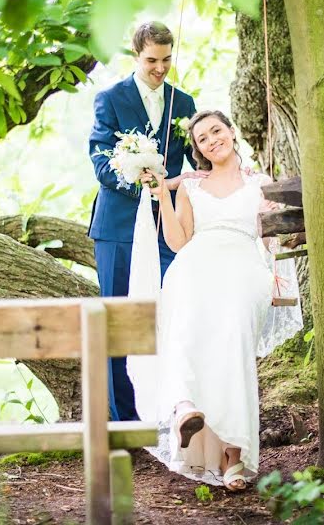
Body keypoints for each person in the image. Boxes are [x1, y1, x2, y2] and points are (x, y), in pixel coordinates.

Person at [138, 110, 278, 491]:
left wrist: (274, 220)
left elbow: (270, 243)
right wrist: (163, 197)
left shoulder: (260, 183)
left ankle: (236, 454)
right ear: (198, 149)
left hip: (244, 262)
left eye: (217, 130)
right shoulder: (192, 186)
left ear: (231, 133)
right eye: (202, 138)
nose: (211, 139)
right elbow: (180, 242)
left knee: (232, 331)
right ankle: (184, 406)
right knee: (184, 314)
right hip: (197, 261)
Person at [87, 22, 204, 422]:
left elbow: (198, 161)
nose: (160, 68)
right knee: (118, 320)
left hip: (168, 225)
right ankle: (123, 423)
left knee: (173, 317)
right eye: (152, 60)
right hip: (118, 227)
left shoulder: (183, 103)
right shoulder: (110, 99)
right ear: (136, 55)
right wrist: (135, 176)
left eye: (167, 59)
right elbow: (100, 160)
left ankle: (170, 413)